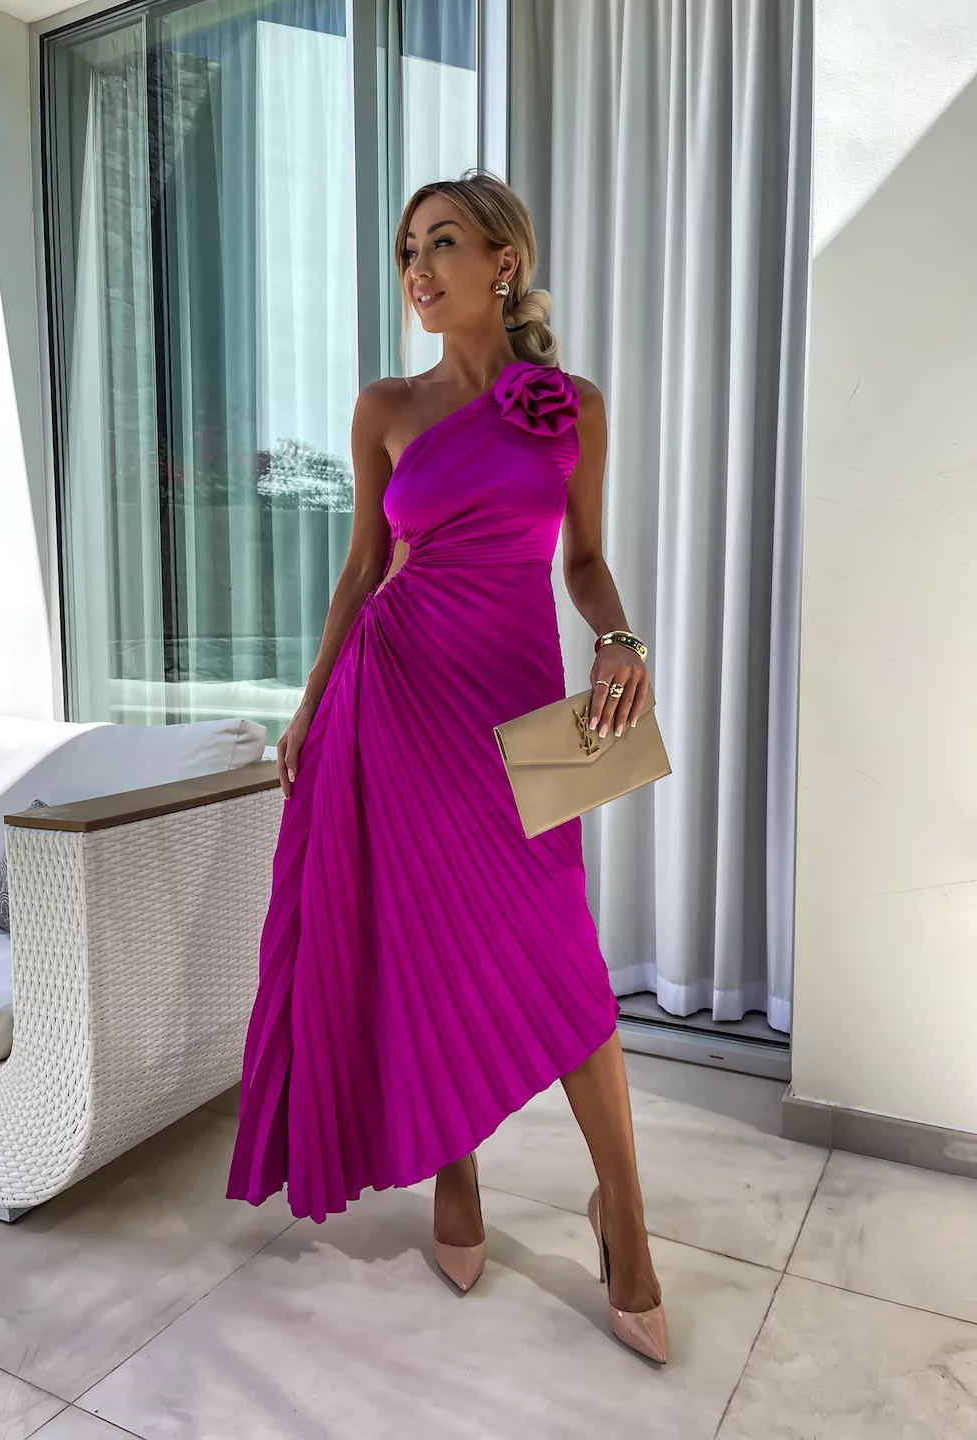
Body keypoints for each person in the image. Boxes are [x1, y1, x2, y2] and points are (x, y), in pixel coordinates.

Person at [226, 168, 667, 1365]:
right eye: (407, 248)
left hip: (515, 705)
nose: (418, 268)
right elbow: (366, 564)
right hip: (397, 700)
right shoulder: (385, 407)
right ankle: (454, 1168)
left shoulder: (567, 404)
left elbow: (580, 560)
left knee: (561, 959)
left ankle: (622, 1216)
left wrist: (621, 639)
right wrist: (313, 704)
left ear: (502, 264)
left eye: (444, 243)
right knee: (420, 939)